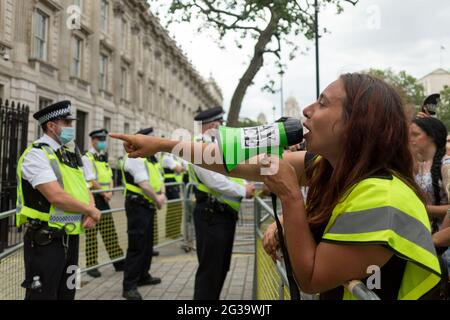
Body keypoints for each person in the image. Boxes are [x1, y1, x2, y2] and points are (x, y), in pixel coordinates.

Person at [111, 73, 446, 300]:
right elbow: (232, 161)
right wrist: (161, 144)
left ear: (356, 124)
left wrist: (289, 198)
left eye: (323, 103)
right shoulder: (329, 166)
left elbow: (312, 277)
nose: (307, 110)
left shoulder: (383, 196)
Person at [16, 100, 101, 300]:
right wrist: (90, 211)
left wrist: (91, 205)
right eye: (66, 122)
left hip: (70, 237)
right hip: (46, 241)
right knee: (43, 296)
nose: (71, 127)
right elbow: (56, 196)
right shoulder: (37, 154)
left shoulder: (69, 153)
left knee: (67, 293)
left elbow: (83, 185)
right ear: (51, 126)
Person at [121, 127, 165, 300]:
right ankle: (129, 286)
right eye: (152, 138)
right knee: (137, 245)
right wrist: (158, 199)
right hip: (137, 205)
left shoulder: (151, 159)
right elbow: (143, 183)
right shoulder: (135, 158)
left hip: (148, 205)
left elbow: (159, 179)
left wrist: (161, 195)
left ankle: (143, 276)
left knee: (147, 244)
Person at [82, 129, 125, 278]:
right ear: (93, 141)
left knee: (110, 231)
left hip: (105, 198)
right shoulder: (87, 158)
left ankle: (118, 261)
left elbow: (110, 176)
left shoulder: (102, 157)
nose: (103, 142)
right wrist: (105, 193)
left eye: (103, 139)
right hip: (93, 199)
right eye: (100, 139)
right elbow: (91, 180)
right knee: (92, 234)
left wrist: (111, 191)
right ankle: (91, 265)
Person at [409, 117, 450, 233]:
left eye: (415, 134)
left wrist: (422, 208)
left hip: (442, 240)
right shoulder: (420, 165)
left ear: (432, 136)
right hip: (423, 234)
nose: (410, 139)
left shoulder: (447, 165)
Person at [160, 152, 184, 239]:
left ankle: (172, 232)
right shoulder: (167, 158)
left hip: (171, 184)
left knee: (173, 208)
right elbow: (179, 169)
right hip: (170, 184)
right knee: (175, 208)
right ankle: (173, 233)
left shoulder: (167, 158)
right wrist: (182, 167)